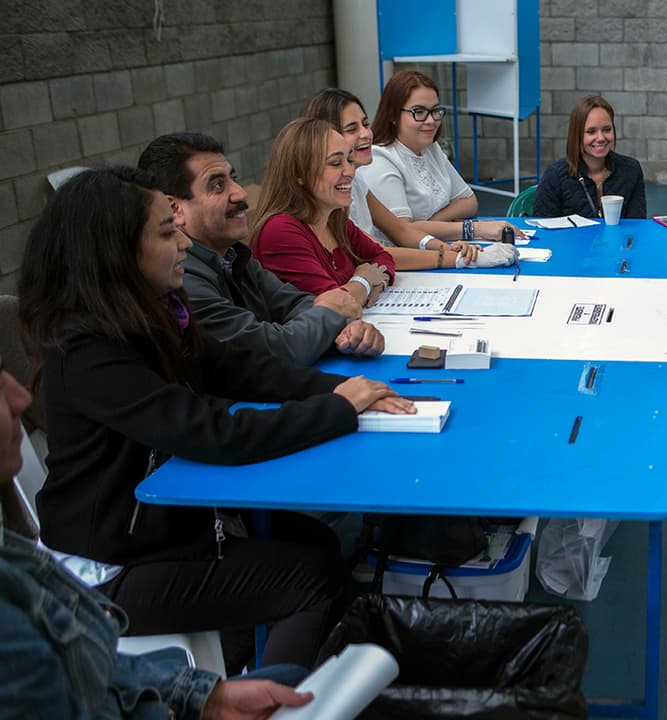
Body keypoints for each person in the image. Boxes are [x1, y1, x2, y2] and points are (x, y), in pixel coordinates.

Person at [16, 167, 414, 675]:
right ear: (115, 252)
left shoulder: (152, 315)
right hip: (110, 569)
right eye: (165, 232)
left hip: (170, 530)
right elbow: (212, 433)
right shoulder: (87, 352)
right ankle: (274, 704)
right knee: (310, 576)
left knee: (313, 540)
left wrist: (341, 389)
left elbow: (238, 368)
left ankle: (257, 661)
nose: (183, 242)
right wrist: (337, 409)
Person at [0, 354, 318, 718]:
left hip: (151, 551)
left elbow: (92, 667)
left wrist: (206, 699)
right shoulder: (91, 359)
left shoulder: (13, 559)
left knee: (291, 671)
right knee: (307, 578)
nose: (21, 398)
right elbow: (213, 430)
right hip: (120, 566)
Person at [138, 132, 385, 365]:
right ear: (174, 208)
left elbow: (295, 303)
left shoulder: (234, 256)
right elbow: (274, 348)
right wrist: (337, 310)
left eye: (232, 179)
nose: (240, 193)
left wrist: (350, 330)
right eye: (216, 185)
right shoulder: (179, 278)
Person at [299, 88, 508, 271]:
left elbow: (401, 230)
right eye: (352, 129)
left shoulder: (357, 179)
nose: (366, 134)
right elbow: (374, 251)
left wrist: (445, 247)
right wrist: (456, 256)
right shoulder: (362, 171)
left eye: (365, 124)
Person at [364, 71, 524, 247]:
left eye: (435, 111)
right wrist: (472, 229)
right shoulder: (380, 159)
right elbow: (402, 232)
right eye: (419, 112)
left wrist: (432, 223)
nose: (431, 120)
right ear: (393, 115)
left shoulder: (431, 149)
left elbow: (468, 201)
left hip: (437, 248)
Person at [252, 118, 397, 300]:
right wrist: (365, 280)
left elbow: (383, 256)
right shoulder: (280, 232)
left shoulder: (334, 219)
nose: (351, 172)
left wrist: (378, 282)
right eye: (336, 163)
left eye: (350, 160)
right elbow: (335, 305)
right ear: (299, 173)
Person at [532, 95, 647, 220]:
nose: (601, 138)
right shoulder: (555, 175)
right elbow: (542, 228)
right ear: (577, 135)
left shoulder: (631, 170)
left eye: (607, 129)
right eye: (591, 131)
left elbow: (637, 225)